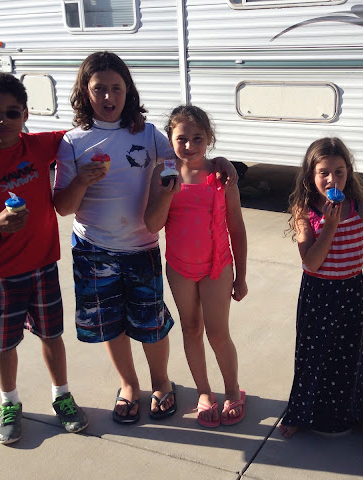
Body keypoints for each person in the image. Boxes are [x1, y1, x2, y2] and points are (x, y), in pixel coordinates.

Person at [53, 52, 237, 424]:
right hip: (93, 249)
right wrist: (82, 180)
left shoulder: (148, 134)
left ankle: (161, 383)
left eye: (116, 88)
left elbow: (186, 159)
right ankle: (128, 385)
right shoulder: (73, 141)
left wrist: (220, 162)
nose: (108, 97)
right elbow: (63, 207)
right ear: (84, 91)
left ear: (128, 91)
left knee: (151, 323)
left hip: (141, 248)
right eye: (99, 89)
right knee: (111, 324)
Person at [0, 72, 88, 444]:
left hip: (42, 266)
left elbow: (84, 133)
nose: (4, 120)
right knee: (3, 343)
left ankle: (62, 396)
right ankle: (9, 402)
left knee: (52, 336)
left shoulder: (40, 146)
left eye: (13, 112)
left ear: (26, 114)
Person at [145, 105, 248, 428]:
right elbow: (152, 225)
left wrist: (241, 276)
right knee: (191, 329)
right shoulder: (162, 174)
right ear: (170, 139)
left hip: (217, 266)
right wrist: (166, 194)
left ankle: (233, 390)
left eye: (197, 138)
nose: (189, 145)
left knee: (218, 333)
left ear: (209, 138)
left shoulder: (221, 176)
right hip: (180, 268)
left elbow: (237, 228)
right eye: (181, 139)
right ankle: (204, 392)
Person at [278, 137, 363, 438]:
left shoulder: (361, 210)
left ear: (348, 172)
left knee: (349, 355)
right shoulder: (304, 210)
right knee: (312, 356)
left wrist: (348, 262)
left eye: (339, 172)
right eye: (323, 172)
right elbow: (311, 262)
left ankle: (352, 412)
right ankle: (299, 413)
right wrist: (330, 227)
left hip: (349, 291)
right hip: (318, 293)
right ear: (311, 175)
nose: (332, 179)